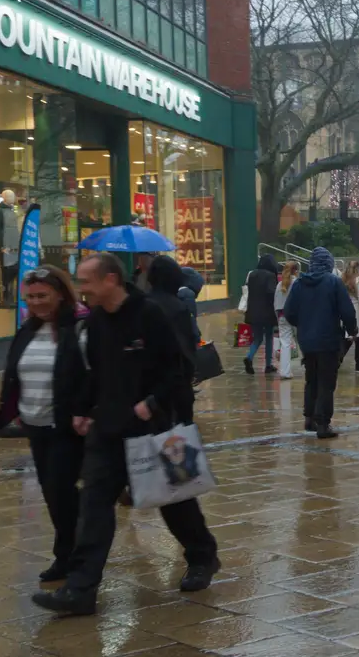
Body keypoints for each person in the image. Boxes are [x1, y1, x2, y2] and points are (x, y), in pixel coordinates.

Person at [32, 252, 220, 616]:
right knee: (95, 507)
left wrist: (153, 402)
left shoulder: (150, 315)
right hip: (109, 430)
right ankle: (80, 589)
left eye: (86, 281)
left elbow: (180, 368)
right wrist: (84, 411)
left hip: (153, 427)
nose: (81, 289)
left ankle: (203, 556)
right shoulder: (99, 320)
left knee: (174, 498)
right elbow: (97, 372)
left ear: (110, 280)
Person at [0, 265, 88, 582]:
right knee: (52, 493)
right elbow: (13, 372)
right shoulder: (28, 330)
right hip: (35, 427)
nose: (36, 302)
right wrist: (14, 409)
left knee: (61, 492)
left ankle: (75, 557)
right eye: (30, 297)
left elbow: (91, 374)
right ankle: (70, 552)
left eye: (42, 295)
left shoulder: (79, 327)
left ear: (60, 294)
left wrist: (84, 410)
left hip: (65, 427)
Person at [282, 247, 357, 439]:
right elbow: (347, 310)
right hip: (328, 340)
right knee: (326, 381)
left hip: (307, 341)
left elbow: (289, 312)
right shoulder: (333, 282)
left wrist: (304, 325)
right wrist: (352, 329)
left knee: (311, 379)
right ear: (329, 264)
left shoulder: (299, 283)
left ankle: (309, 419)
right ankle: (323, 423)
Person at [145, 256, 200, 423]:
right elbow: (186, 348)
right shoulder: (177, 307)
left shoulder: (143, 305)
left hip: (148, 393)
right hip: (176, 390)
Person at [243, 254, 279, 373]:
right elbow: (271, 292)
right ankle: (268, 365)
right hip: (267, 312)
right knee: (269, 337)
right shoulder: (270, 276)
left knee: (257, 338)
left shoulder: (252, 274)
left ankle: (249, 356)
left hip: (252, 311)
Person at [341, 260, 359, 372]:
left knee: (348, 337)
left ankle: (337, 359)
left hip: (346, 310)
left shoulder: (343, 280)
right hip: (357, 310)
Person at [274, 261, 298, 379]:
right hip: (295, 316)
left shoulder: (280, 284)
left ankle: (285, 371)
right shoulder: (297, 283)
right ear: (296, 271)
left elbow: (275, 303)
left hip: (282, 316)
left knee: (285, 344)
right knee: (302, 342)